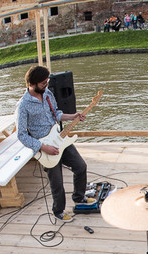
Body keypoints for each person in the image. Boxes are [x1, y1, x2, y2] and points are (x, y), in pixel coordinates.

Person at [16, 66, 92, 222]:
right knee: (57, 183)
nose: (47, 84)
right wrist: (44, 147)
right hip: (44, 148)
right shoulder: (23, 106)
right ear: (32, 83)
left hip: (60, 139)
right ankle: (58, 210)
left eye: (47, 81)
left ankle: (79, 197)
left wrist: (73, 116)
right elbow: (21, 135)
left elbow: (56, 113)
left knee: (80, 166)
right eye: (44, 82)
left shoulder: (48, 94)